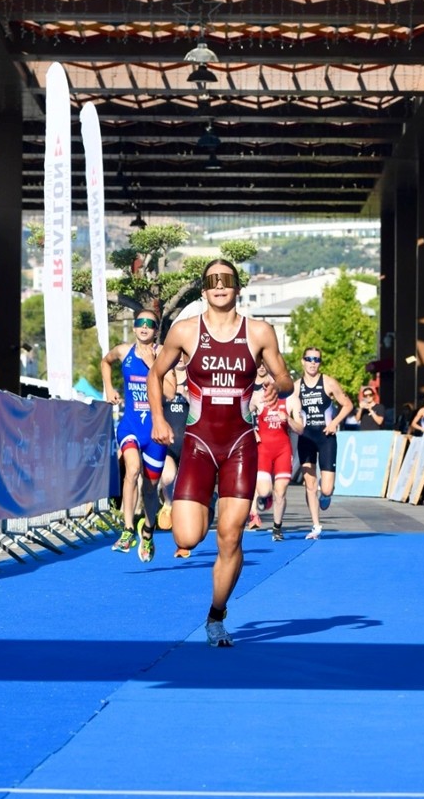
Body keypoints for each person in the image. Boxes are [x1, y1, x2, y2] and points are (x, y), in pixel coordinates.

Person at [148, 259, 293, 647]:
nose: (219, 287)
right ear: (202, 290)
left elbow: (284, 376)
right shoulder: (185, 331)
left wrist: (279, 385)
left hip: (240, 445)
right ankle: (193, 506)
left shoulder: (259, 331)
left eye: (226, 280)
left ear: (237, 288)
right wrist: (158, 420)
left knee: (230, 537)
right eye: (212, 281)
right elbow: (155, 373)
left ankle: (216, 614)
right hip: (198, 444)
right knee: (187, 535)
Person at [101, 307, 176, 562]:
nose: (144, 327)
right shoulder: (124, 351)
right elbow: (105, 361)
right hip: (131, 425)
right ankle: (128, 529)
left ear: (156, 331)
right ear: (134, 327)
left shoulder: (165, 355)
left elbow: (169, 394)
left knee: (151, 490)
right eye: (140, 323)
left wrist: (154, 367)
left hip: (155, 432)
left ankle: (148, 530)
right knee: (132, 470)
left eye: (150, 324)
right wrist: (109, 387)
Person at [293, 347, 353, 541]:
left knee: (325, 489)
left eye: (316, 360)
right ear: (302, 361)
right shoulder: (296, 387)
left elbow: (348, 404)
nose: (313, 362)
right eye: (309, 359)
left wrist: (335, 423)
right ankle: (316, 526)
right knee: (310, 484)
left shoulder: (328, 382)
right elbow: (291, 411)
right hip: (306, 438)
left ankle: (326, 495)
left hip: (326, 437)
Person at [248, 366, 304, 541]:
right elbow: (242, 415)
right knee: (264, 491)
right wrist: (253, 432)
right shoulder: (257, 397)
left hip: (282, 449)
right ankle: (267, 496)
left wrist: (287, 419)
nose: (269, 381)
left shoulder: (291, 400)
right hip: (263, 449)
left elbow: (301, 429)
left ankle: (277, 528)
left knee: (281, 491)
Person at [156, 356, 190, 547]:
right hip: (168, 444)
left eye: (184, 356)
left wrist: (187, 396)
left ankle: (184, 531)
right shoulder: (163, 380)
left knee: (186, 489)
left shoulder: (194, 381)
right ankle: (168, 504)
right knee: (168, 477)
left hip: (188, 446)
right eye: (176, 356)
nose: (180, 359)